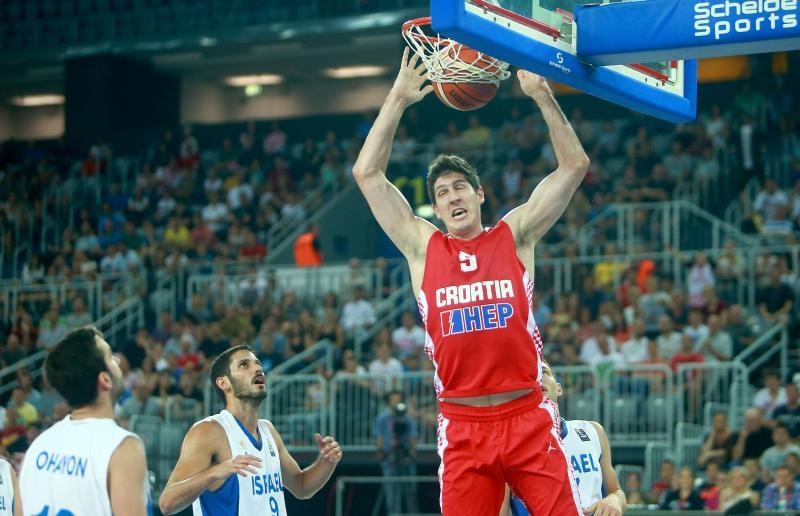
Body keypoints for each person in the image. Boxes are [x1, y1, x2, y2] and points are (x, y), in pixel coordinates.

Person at [353, 48, 588, 514]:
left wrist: (542, 95)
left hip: (527, 415)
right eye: (442, 193)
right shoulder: (423, 248)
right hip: (462, 424)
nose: (452, 194)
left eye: (460, 186)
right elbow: (367, 173)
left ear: (479, 194)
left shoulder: (515, 235)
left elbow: (573, 166)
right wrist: (397, 100)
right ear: (436, 210)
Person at [158, 344, 342, 514]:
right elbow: (167, 503)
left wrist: (326, 461)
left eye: (257, 363)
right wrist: (214, 472)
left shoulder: (268, 430)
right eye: (244, 365)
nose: (257, 368)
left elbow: (301, 487)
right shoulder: (208, 431)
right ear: (224, 383)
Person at [19, 326, 150, 515]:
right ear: (105, 379)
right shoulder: (121, 447)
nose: (118, 360)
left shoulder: (38, 447)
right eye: (110, 356)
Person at [502, 361, 626, 515]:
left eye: (544, 372)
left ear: (559, 388)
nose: (538, 377)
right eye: (531, 374)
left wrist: (614, 500)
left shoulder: (593, 431)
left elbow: (616, 491)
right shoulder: (508, 446)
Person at [374, 390, 419, 514]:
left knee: (410, 492)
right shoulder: (382, 419)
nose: (396, 402)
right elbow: (379, 437)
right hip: (390, 459)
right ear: (388, 402)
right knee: (392, 494)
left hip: (406, 458)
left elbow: (413, 437)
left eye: (398, 399)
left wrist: (412, 454)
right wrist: (380, 451)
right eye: (393, 399)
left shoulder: (408, 420)